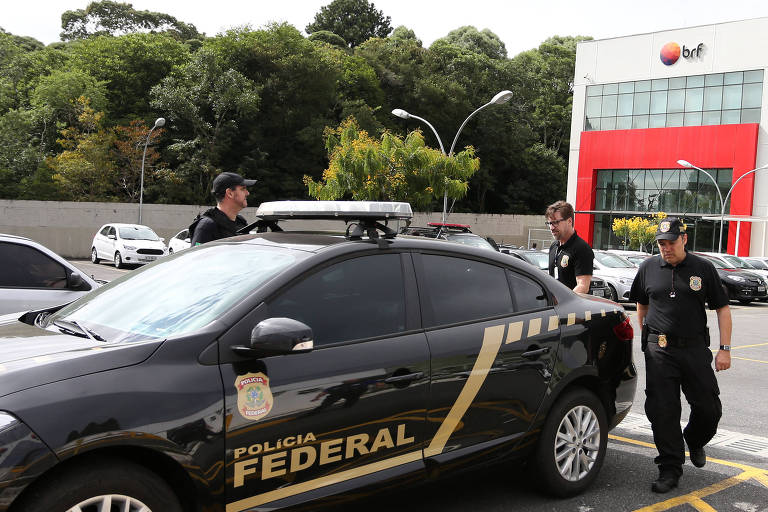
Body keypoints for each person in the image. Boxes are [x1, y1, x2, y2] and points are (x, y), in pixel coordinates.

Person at [629, 217, 732, 494]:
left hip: (695, 349)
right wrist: (648, 337)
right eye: (661, 243)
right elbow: (641, 304)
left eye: (671, 242)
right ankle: (670, 469)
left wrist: (725, 349)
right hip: (660, 350)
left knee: (709, 408)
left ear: (684, 240)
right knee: (663, 411)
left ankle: (695, 439)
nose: (666, 248)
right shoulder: (648, 267)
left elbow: (722, 308)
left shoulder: (703, 268)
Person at [189, 172, 256, 246]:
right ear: (230, 193)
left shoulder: (240, 222)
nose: (247, 193)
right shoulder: (207, 226)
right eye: (243, 189)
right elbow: (197, 256)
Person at [546, 200, 593, 294]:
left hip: (572, 307)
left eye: (555, 222)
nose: (552, 227)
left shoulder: (582, 249)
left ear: (569, 221)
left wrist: (564, 303)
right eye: (549, 223)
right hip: (553, 306)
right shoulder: (553, 247)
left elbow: (583, 286)